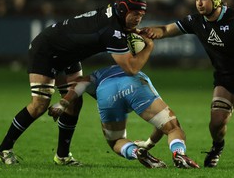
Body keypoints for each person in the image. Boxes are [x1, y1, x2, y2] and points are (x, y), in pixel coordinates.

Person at [0, 0, 153, 166]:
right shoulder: (112, 31)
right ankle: (3, 149)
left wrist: (135, 30)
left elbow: (118, 28)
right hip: (47, 49)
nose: (139, 19)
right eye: (135, 14)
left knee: (75, 101)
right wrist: (149, 46)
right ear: (123, 10)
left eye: (142, 15)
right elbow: (131, 68)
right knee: (40, 104)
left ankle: (62, 156)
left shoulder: (115, 14)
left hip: (69, 52)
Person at [142, 0, 234, 168]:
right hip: (224, 77)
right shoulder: (195, 21)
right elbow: (167, 30)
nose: (199, 3)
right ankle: (217, 147)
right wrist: (150, 31)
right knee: (216, 124)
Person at [48, 64, 200, 169]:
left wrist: (63, 103)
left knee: (116, 141)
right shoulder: (130, 68)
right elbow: (162, 126)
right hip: (134, 84)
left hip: (107, 92)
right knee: (172, 127)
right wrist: (149, 143)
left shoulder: (95, 75)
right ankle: (179, 154)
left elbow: (81, 83)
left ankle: (136, 152)